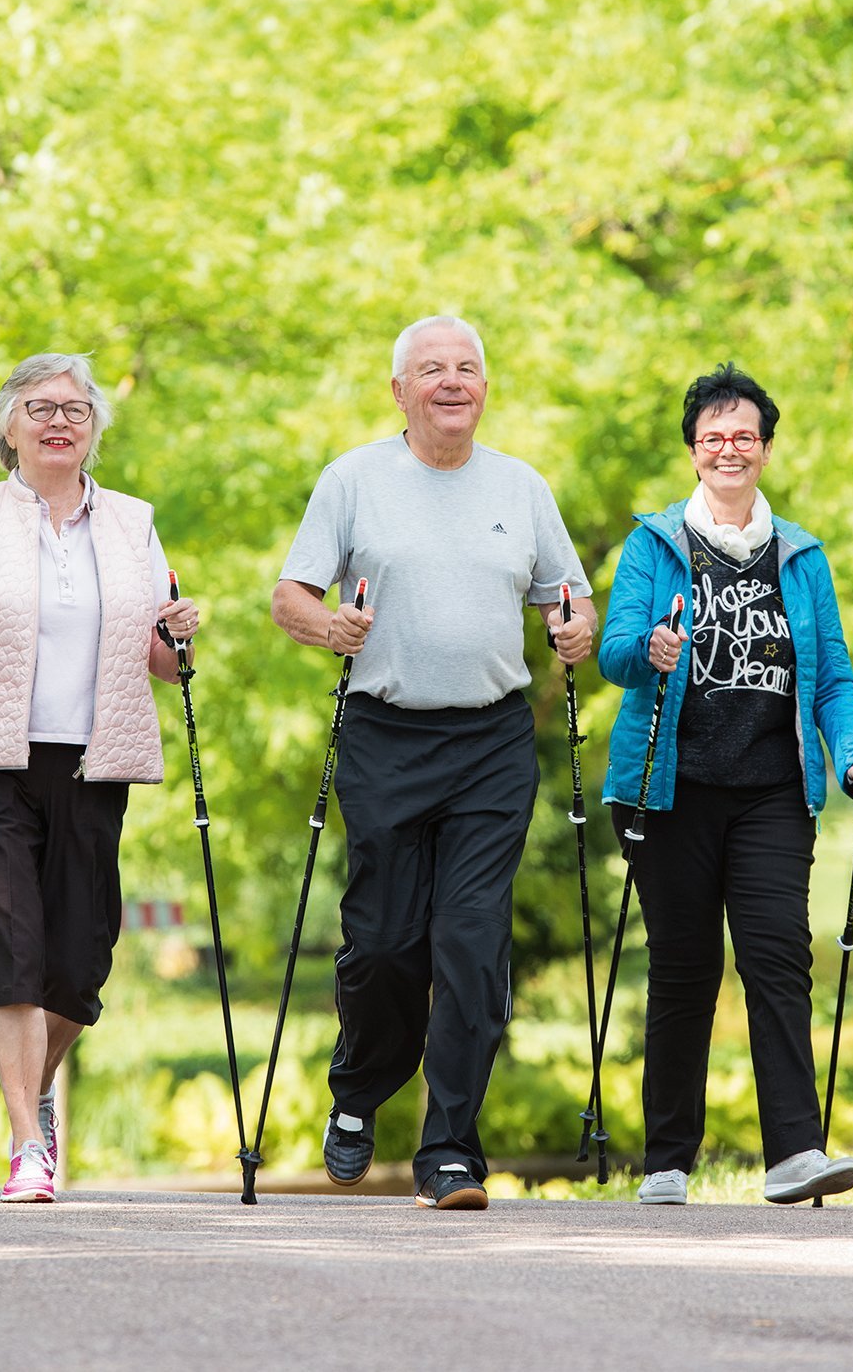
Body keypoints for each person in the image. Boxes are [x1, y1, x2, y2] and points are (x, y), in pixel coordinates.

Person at [273, 314, 595, 1209]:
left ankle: (450, 1147)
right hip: (385, 730)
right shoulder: (354, 480)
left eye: (467, 368)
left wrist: (573, 627)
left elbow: (569, 596)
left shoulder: (521, 487)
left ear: (485, 388)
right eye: (431, 369)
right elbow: (288, 594)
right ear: (400, 391)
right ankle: (359, 1085)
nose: (452, 381)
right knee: (383, 941)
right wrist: (327, 624)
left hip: (491, 742)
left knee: (471, 945)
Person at [0, 352, 197, 1205]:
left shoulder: (134, 524)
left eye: (75, 407)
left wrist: (178, 629)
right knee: (14, 948)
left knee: (82, 957)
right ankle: (30, 1139)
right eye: (39, 407)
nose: (59, 420)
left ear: (95, 426)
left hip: (95, 758)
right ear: (9, 427)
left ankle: (35, 1085)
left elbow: (167, 666)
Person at [596, 363, 853, 1207]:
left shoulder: (800, 556)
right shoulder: (655, 545)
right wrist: (648, 646)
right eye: (713, 436)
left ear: (764, 448)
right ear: (693, 450)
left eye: (744, 436)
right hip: (666, 786)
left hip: (769, 787)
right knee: (685, 969)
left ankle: (795, 1150)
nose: (729, 448)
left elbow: (831, 676)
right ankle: (667, 1161)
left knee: (776, 959)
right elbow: (616, 650)